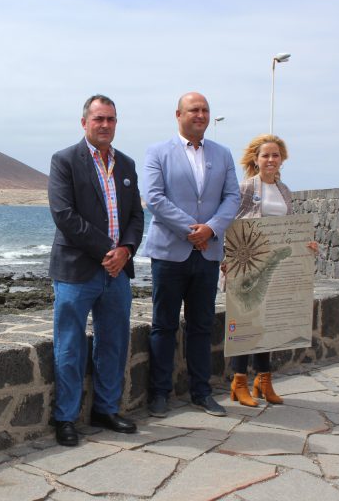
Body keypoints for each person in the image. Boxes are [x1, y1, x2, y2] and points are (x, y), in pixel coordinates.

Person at [48, 94, 145, 446]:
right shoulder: (64, 161)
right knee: (70, 346)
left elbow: (136, 215)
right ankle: (66, 418)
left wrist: (127, 250)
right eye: (99, 119)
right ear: (84, 122)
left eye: (111, 119)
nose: (105, 125)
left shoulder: (127, 165)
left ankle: (106, 409)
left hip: (117, 273)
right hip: (77, 272)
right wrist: (110, 250)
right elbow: (64, 216)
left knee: (114, 344)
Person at [142, 92, 240, 418]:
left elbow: (231, 198)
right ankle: (159, 393)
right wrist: (191, 229)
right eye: (193, 110)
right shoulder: (158, 152)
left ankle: (202, 392)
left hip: (208, 253)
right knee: (163, 326)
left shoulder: (223, 154)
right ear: (178, 114)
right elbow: (154, 198)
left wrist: (210, 229)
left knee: (201, 325)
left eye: (205, 110)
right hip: (170, 254)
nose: (200, 115)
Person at [227, 134, 318, 406]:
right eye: (265, 155)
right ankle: (239, 381)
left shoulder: (285, 190)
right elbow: (230, 223)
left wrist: (306, 244)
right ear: (256, 159)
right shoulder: (244, 188)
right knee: (246, 323)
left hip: (276, 266)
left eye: (275, 155)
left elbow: (289, 229)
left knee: (270, 326)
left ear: (282, 159)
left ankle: (263, 381)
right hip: (249, 265)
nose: (270, 160)